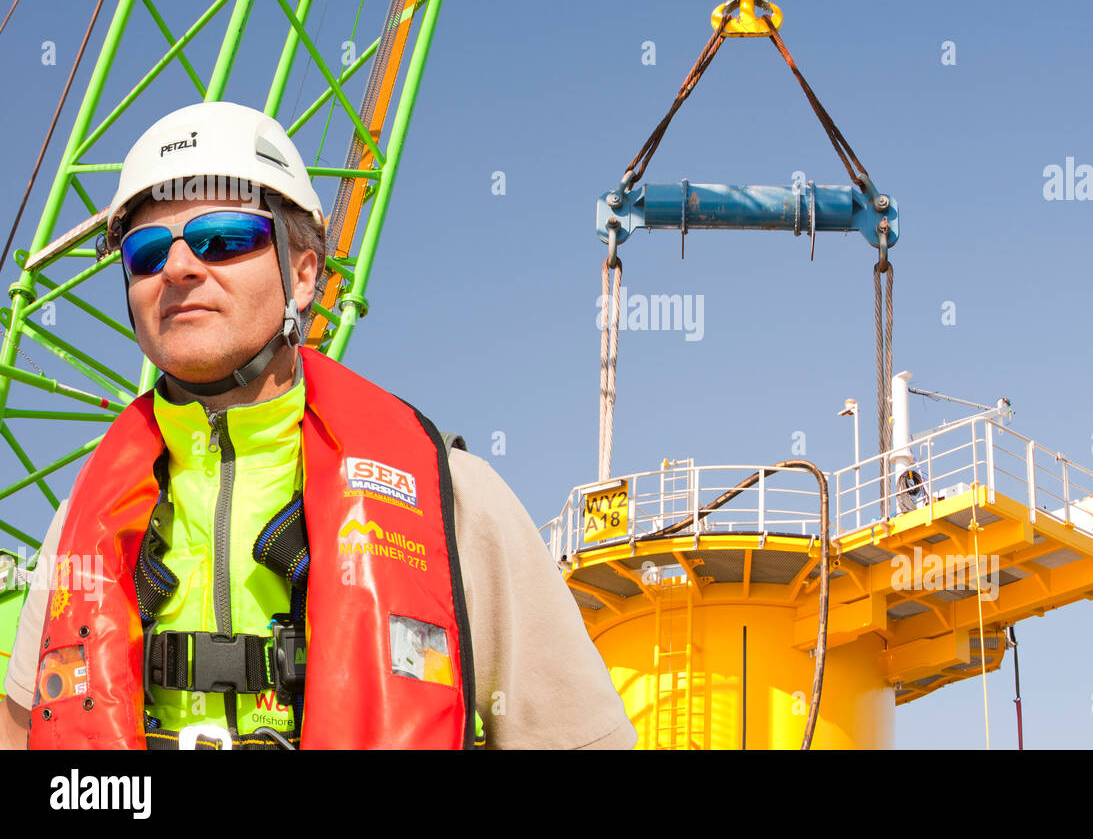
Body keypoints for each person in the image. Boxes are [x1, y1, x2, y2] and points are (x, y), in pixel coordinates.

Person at [0, 102, 635, 750]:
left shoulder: (454, 497)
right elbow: (21, 731)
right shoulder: (82, 514)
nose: (181, 268)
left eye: (224, 237)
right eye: (147, 251)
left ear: (303, 275)